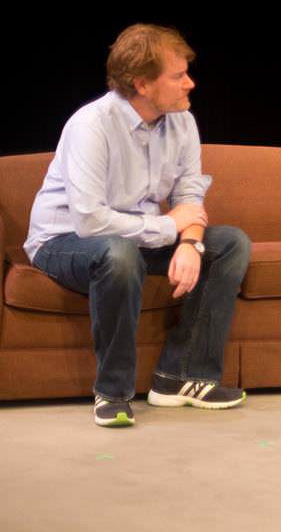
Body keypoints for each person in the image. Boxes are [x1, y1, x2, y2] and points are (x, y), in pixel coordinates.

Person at [24, 24, 251, 426]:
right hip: (64, 240)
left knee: (230, 243)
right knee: (119, 253)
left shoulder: (182, 122)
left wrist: (190, 244)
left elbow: (189, 196)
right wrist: (169, 228)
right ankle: (112, 392)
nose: (190, 83)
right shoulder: (91, 125)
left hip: (136, 235)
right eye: (178, 76)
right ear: (142, 84)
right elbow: (91, 221)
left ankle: (181, 377)